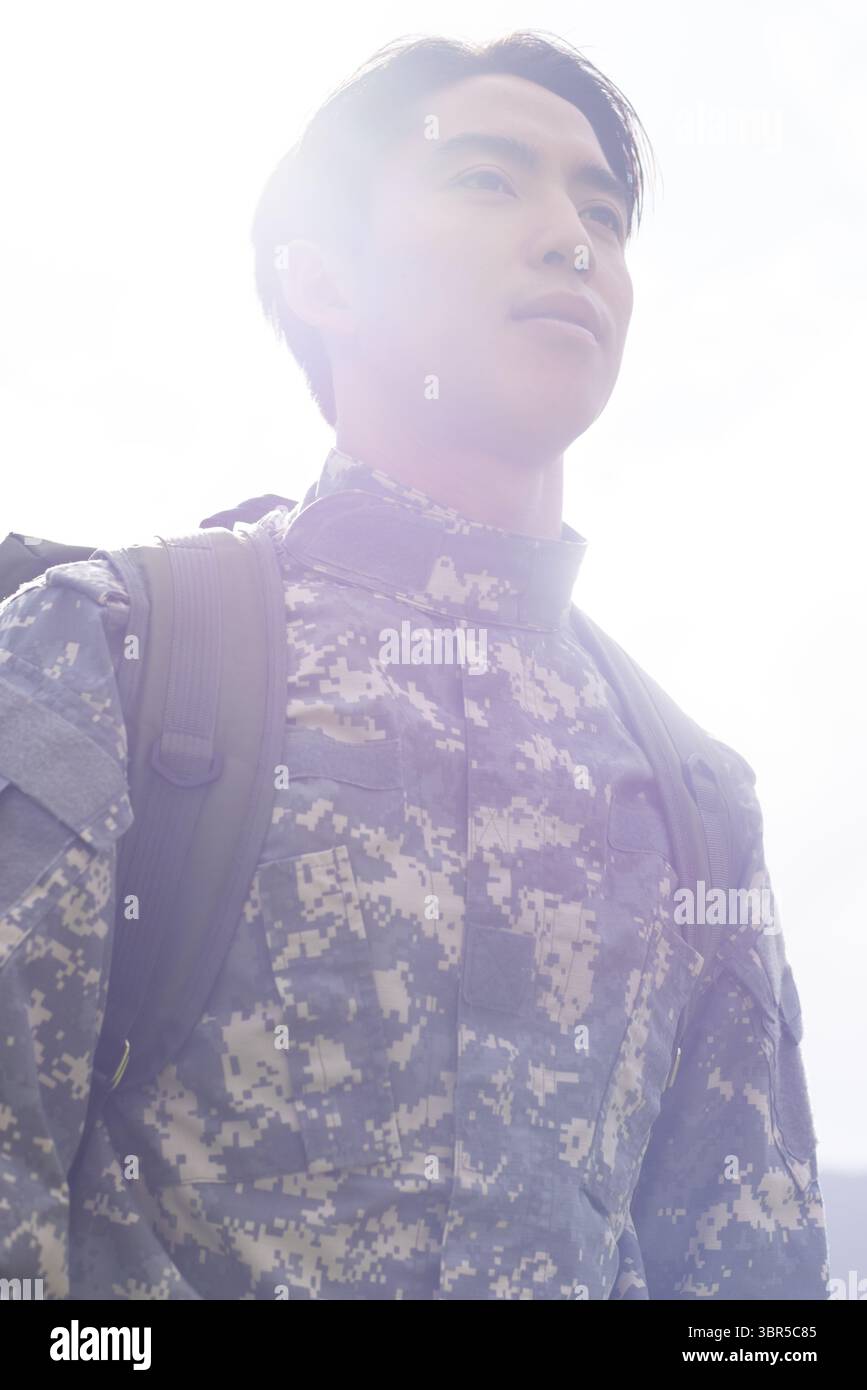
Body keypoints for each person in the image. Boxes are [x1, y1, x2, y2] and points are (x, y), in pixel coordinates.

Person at [0, 31, 828, 1300]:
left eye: (600, 208)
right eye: (490, 181)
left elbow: (749, 1300)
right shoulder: (110, 651)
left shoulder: (696, 797)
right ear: (322, 275)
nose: (572, 238)